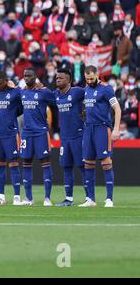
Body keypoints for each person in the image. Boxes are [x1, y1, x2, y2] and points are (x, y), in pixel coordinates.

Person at [81, 65, 121, 207]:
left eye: (91, 78)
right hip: (88, 129)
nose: (90, 81)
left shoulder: (106, 89)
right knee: (88, 163)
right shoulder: (85, 89)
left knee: (106, 162)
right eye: (87, 79)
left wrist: (116, 130)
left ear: (97, 74)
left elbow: (117, 109)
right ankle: (90, 199)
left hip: (102, 128)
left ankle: (109, 199)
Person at [20, 67, 55, 206]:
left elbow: (57, 102)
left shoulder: (44, 92)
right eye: (24, 76)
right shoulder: (21, 92)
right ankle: (29, 198)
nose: (26, 78)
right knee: (26, 163)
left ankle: (47, 198)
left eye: (29, 75)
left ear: (35, 76)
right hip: (26, 133)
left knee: (45, 163)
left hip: (41, 132)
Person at [0, 71, 23, 206]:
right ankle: (0, 197)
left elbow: (22, 106)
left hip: (11, 134)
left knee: (13, 164)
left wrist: (15, 87)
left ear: (6, 81)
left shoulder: (15, 92)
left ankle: (17, 197)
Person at [53, 69, 87, 207]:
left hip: (78, 136)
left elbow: (91, 93)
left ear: (69, 80)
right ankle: (68, 199)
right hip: (64, 138)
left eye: (60, 78)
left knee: (83, 167)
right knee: (66, 167)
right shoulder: (55, 94)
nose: (58, 80)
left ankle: (89, 198)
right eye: (56, 78)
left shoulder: (77, 92)